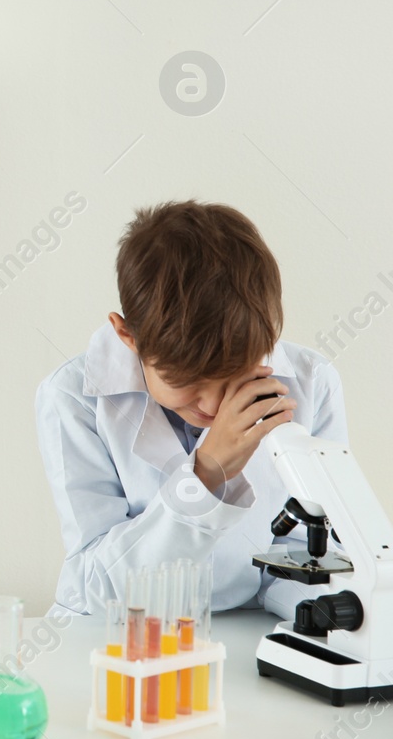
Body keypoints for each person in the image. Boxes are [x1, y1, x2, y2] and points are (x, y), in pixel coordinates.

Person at [37, 201, 347, 617]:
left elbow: (304, 551)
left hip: (245, 631)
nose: (214, 405)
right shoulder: (73, 398)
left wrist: (328, 619)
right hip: (116, 637)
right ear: (128, 336)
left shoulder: (312, 382)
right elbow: (93, 586)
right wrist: (205, 475)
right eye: (187, 383)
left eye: (235, 373)